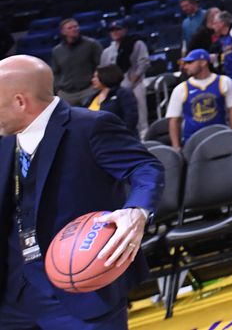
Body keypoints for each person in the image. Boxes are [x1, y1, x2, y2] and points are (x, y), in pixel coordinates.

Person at [0, 55, 161, 329]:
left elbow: (145, 168)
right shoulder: (6, 140)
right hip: (12, 292)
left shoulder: (90, 126)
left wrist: (137, 211)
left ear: (20, 101)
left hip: (77, 285)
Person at [164, 50, 232, 149]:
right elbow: (174, 120)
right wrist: (176, 148)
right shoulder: (180, 89)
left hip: (221, 137)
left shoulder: (224, 82)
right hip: (192, 143)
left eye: (190, 63)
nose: (186, 66)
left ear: (203, 62)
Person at [99, 22, 148, 136]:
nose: (115, 32)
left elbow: (144, 63)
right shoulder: (107, 51)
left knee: (140, 115)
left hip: (135, 85)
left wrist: (132, 81)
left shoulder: (136, 43)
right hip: (116, 89)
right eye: (112, 30)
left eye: (118, 29)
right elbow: (103, 71)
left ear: (125, 29)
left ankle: (145, 138)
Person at [50, 19, 100, 106]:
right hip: (66, 94)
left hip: (88, 90)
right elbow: (55, 72)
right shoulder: (57, 50)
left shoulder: (92, 45)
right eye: (70, 28)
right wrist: (58, 89)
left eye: (76, 27)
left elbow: (100, 65)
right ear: (63, 32)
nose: (74, 29)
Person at [84, 64, 138, 129]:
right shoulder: (92, 98)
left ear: (106, 76)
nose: (93, 80)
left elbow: (131, 119)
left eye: (96, 77)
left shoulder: (123, 93)